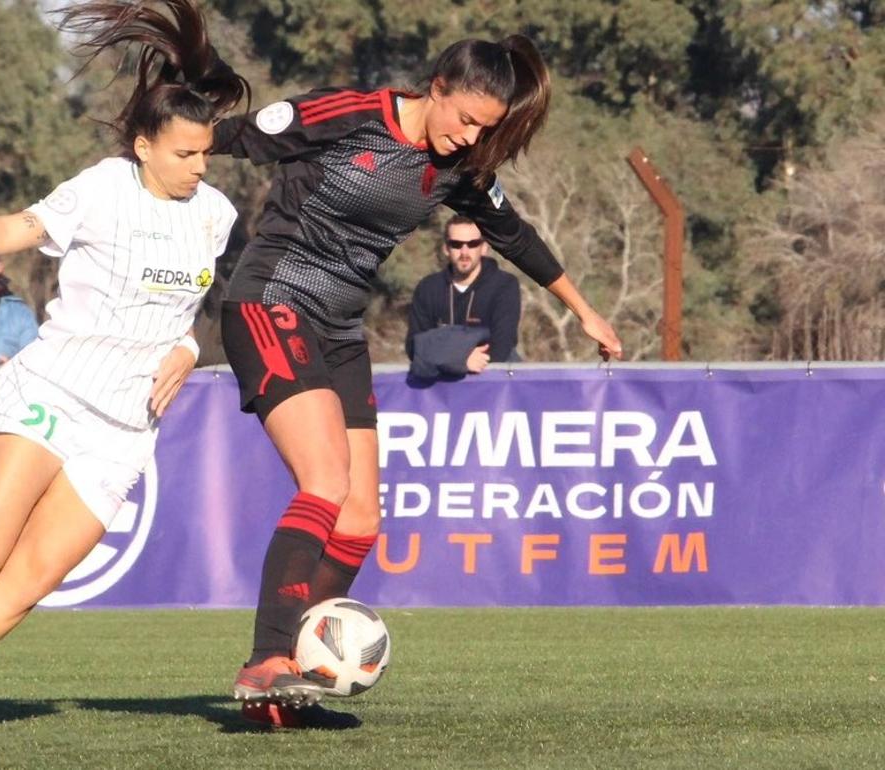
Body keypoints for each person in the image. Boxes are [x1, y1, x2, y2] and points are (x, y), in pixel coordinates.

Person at [0, 0, 246, 740]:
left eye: (206, 154)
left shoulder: (215, 213)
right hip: (53, 390)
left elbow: (193, 309)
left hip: (125, 429)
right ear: (144, 146)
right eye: (185, 154)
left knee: (30, 580)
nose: (199, 167)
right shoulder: (102, 188)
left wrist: (188, 349)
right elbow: (17, 229)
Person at [211, 35, 624, 727]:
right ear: (437, 87)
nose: (470, 136)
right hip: (271, 300)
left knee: (360, 518)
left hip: (340, 329)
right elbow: (226, 137)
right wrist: (153, 157)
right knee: (325, 483)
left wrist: (584, 311)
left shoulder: (460, 167)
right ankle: (267, 660)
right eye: (465, 118)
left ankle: (295, 682)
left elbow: (514, 234)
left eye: (485, 128)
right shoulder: (350, 114)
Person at [405, 215, 520, 378]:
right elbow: (415, 346)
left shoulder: (504, 286)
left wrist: (443, 353)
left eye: (472, 244)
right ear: (446, 248)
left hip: (491, 383)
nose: (464, 252)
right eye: (456, 244)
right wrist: (460, 361)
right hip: (439, 387)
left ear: (484, 247)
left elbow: (502, 346)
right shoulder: (427, 288)